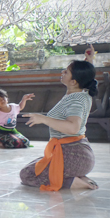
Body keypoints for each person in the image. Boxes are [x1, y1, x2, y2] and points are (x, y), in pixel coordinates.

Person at [19, 45, 99, 191]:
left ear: (74, 81)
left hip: (74, 155)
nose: (62, 72)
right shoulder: (82, 92)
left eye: (66, 71)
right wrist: (89, 60)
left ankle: (74, 182)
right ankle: (78, 176)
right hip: (78, 154)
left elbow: (73, 127)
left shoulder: (76, 100)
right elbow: (87, 78)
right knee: (37, 165)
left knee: (27, 175)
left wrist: (43, 119)